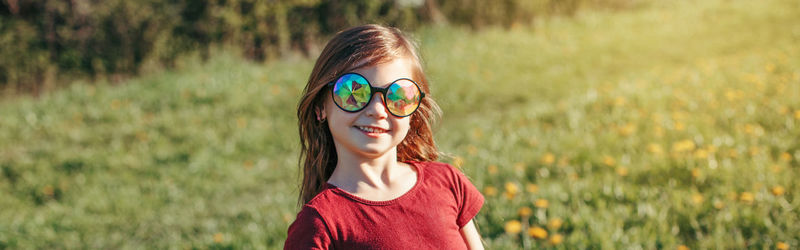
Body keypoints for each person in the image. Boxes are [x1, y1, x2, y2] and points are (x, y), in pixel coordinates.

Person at [286, 24, 485, 249]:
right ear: (320, 107)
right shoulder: (319, 224)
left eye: (398, 95)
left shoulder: (447, 182)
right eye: (354, 91)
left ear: (414, 110)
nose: (378, 110)